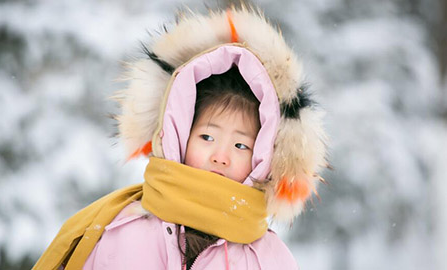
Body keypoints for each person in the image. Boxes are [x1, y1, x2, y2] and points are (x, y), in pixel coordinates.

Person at [34, 6, 328, 270]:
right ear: (178, 135)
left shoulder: (267, 260)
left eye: (241, 145)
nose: (220, 156)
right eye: (207, 136)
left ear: (264, 157)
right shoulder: (117, 230)